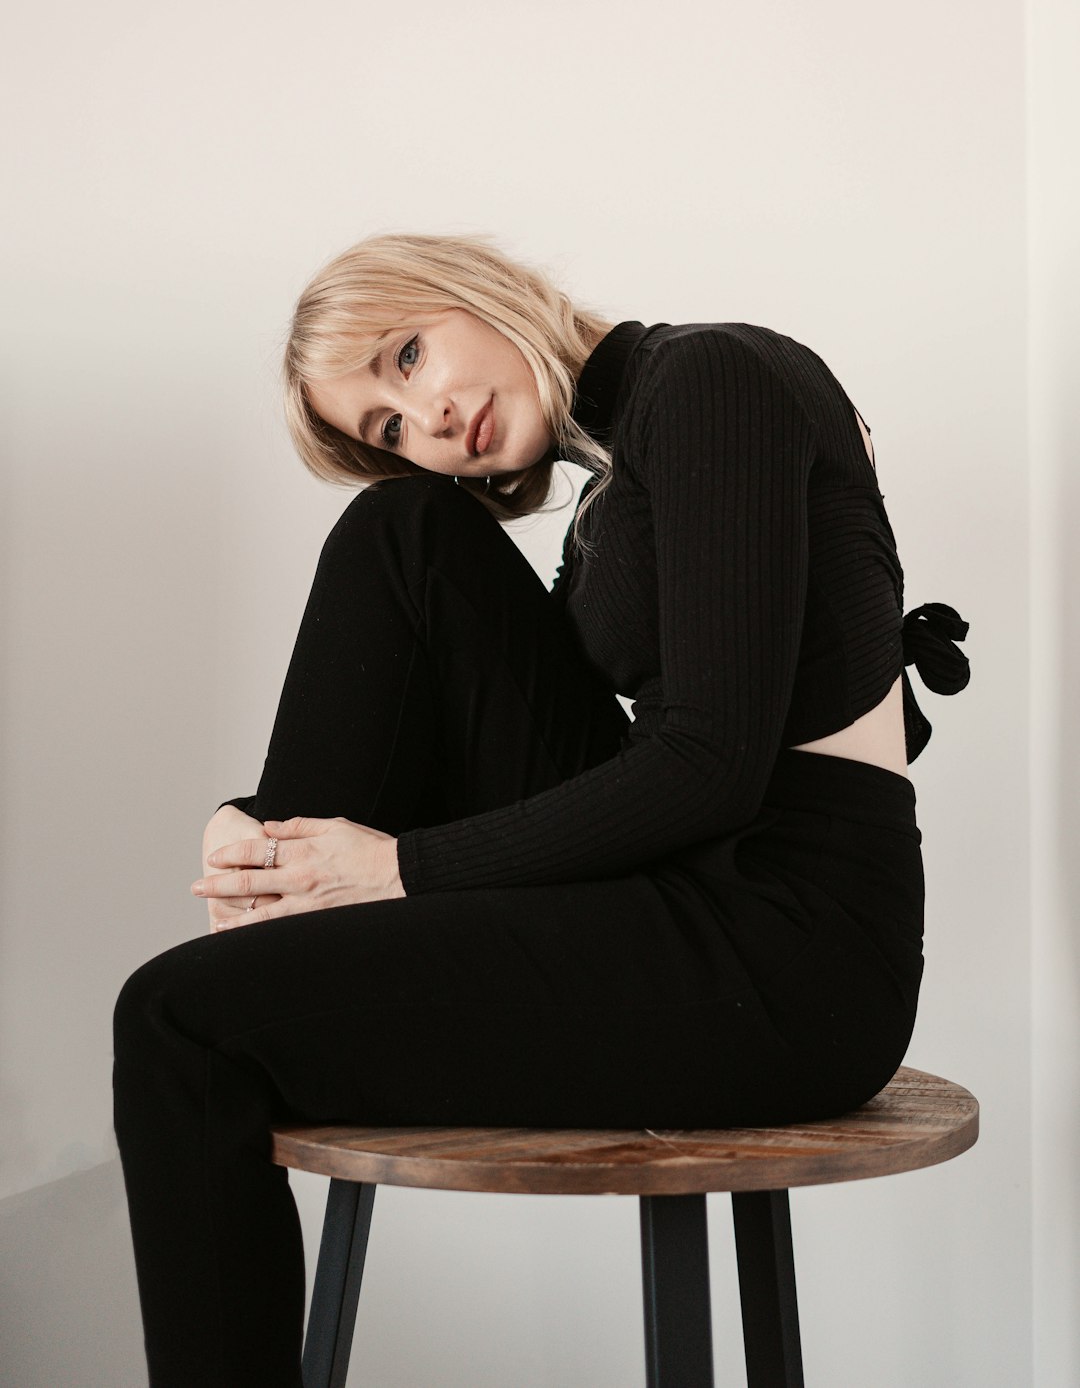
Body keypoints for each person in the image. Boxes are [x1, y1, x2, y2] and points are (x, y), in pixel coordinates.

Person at [112, 232, 971, 1388]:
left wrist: (395, 870)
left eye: (408, 357)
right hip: (692, 889)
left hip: (792, 952)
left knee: (177, 1019)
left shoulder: (714, 380)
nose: (428, 418)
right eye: (388, 425)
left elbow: (710, 764)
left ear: (473, 289)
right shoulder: (605, 496)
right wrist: (260, 823)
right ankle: (280, 867)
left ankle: (288, 920)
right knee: (406, 530)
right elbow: (499, 730)